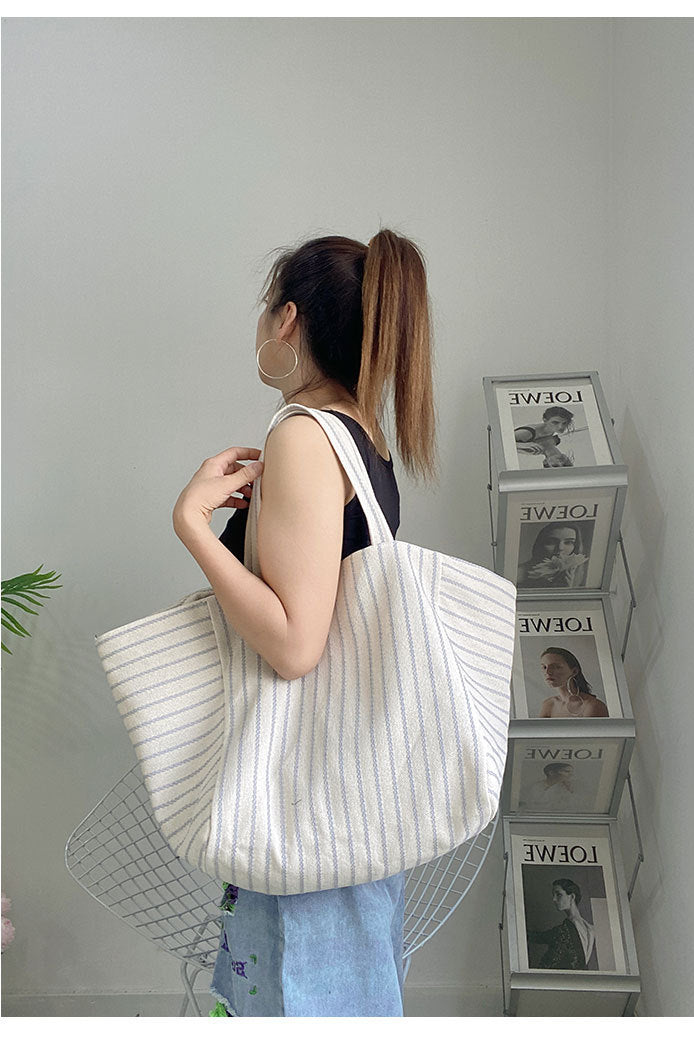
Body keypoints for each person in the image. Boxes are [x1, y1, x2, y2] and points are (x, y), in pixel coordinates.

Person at [171, 230, 437, 1017]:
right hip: (346, 789)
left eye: (266, 308)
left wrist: (191, 523)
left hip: (302, 800)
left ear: (287, 319)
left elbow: (293, 645)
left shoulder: (302, 435)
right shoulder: (363, 436)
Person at [526, 878, 596, 970]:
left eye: (558, 894)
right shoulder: (590, 928)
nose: (554, 899)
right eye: (553, 895)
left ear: (572, 897)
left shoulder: (565, 930)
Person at [537, 646, 608, 718]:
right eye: (544, 667)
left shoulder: (593, 706)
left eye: (556, 667)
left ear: (574, 671)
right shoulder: (548, 705)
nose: (547, 672)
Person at [516, 523, 588, 588]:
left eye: (568, 542)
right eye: (551, 542)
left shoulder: (582, 575)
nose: (560, 548)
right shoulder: (519, 574)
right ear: (540, 544)